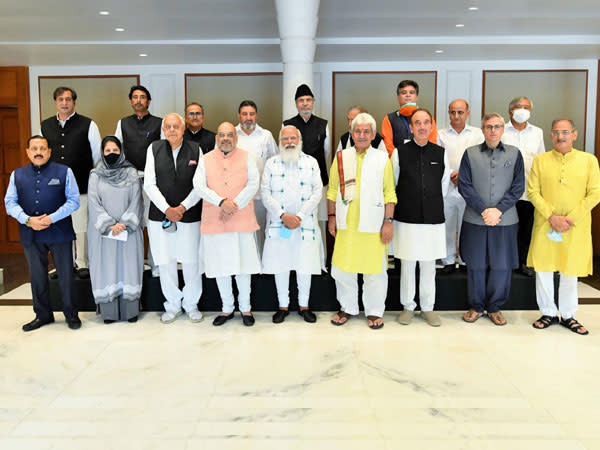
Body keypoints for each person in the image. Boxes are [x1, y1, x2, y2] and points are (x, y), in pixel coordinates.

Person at [528, 119, 600, 335]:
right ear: (551, 136)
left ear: (574, 135)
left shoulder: (589, 160)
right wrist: (552, 217)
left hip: (574, 226)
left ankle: (568, 315)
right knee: (544, 268)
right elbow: (533, 191)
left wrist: (570, 218)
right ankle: (548, 312)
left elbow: (595, 193)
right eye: (557, 132)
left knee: (570, 269)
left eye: (565, 132)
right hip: (546, 224)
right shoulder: (540, 161)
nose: (561, 136)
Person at [327, 113, 397, 329]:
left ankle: (374, 311)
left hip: (373, 224)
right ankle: (347, 307)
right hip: (346, 224)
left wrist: (388, 222)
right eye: (358, 131)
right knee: (342, 269)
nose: (362, 135)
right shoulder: (341, 157)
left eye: (367, 131)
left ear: (374, 134)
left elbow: (389, 194)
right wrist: (331, 218)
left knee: (375, 271)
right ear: (352, 133)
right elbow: (331, 191)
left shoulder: (381, 158)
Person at [4, 135, 81, 331]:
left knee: (66, 275)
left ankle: (71, 315)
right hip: (30, 232)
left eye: (42, 148)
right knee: (37, 275)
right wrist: (27, 219)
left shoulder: (65, 172)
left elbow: (74, 201)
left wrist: (51, 218)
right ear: (28, 152)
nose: (38, 152)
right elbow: (9, 202)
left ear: (49, 151)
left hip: (60, 232)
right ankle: (43, 315)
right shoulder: (17, 175)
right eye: (34, 148)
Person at [458, 113, 524, 326]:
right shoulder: (470, 154)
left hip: (505, 220)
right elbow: (464, 185)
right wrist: (484, 210)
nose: (493, 130)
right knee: (476, 264)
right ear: (483, 129)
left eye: (497, 126)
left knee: (501, 265)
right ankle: (476, 306)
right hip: (475, 219)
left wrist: (498, 211)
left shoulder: (515, 154)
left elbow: (518, 187)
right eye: (489, 127)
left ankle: (495, 307)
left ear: (502, 129)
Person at [194, 122, 261, 327]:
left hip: (241, 219)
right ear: (216, 138)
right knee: (220, 267)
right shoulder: (205, 159)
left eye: (229, 135)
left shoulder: (247, 157)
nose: (225, 138)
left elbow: (253, 183)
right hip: (215, 219)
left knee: (244, 267)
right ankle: (227, 308)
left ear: (236, 137)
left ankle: (246, 308)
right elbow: (198, 185)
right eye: (221, 135)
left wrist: (236, 204)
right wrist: (221, 202)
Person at [144, 113, 204, 324]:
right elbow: (149, 184)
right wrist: (167, 209)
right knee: (166, 261)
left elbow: (200, 185)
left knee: (190, 261)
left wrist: (183, 207)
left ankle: (191, 304)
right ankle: (172, 305)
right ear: (163, 129)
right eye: (167, 126)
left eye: (175, 126)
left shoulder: (196, 149)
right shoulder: (154, 149)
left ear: (183, 129)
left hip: (189, 215)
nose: (171, 130)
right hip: (160, 216)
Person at [261, 125, 324, 323]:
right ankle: (283, 306)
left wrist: (299, 216)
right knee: (281, 265)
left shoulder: (311, 162)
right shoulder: (271, 163)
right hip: (279, 223)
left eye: (293, 138)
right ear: (280, 142)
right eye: (285, 139)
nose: (289, 142)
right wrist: (282, 215)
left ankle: (304, 306)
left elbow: (317, 191)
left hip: (304, 223)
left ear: (300, 140)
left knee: (304, 264)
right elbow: (265, 193)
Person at [393, 109, 450, 327]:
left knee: (428, 264)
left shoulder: (440, 153)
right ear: (411, 126)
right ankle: (408, 306)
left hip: (433, 218)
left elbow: (443, 185)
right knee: (407, 263)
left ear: (432, 126)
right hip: (406, 218)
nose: (422, 126)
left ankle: (428, 307)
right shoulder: (399, 152)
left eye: (426, 122)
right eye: (418, 123)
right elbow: (394, 184)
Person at [40, 86, 101, 278]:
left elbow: (97, 155)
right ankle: (62, 264)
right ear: (56, 102)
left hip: (81, 184)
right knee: (58, 225)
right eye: (61, 99)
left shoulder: (88, 124)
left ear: (74, 102)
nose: (64, 103)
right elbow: (42, 153)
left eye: (68, 99)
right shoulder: (45, 125)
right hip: (54, 186)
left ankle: (82, 262)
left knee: (80, 226)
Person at [87, 136, 144, 323]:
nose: (112, 154)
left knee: (128, 268)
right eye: (107, 151)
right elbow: (93, 203)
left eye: (115, 150)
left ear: (121, 152)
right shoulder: (95, 175)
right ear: (102, 153)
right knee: (107, 269)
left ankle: (130, 312)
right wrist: (109, 224)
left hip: (129, 232)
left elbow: (137, 200)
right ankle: (109, 313)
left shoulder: (131, 173)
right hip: (103, 233)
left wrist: (124, 224)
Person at [115, 85, 163, 276]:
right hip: (129, 180)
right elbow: (116, 148)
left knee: (153, 223)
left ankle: (155, 262)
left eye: (142, 97)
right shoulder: (123, 123)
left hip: (153, 181)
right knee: (132, 221)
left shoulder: (159, 122)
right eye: (135, 97)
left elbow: (164, 150)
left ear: (148, 101)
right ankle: (135, 262)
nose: (138, 100)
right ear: (130, 101)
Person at [437, 99, 484, 274]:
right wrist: (451, 174)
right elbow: (436, 158)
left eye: (460, 112)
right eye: (453, 112)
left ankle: (465, 259)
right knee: (447, 224)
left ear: (468, 113)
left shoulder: (477, 134)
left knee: (467, 226)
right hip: (447, 186)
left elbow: (481, 159)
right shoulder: (440, 134)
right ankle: (448, 260)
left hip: (470, 188)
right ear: (448, 113)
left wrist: (463, 176)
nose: (456, 116)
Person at [501, 96, 546, 277]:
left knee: (526, 229)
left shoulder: (538, 132)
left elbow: (541, 159)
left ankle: (523, 262)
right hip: (505, 191)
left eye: (526, 107)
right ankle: (505, 263)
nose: (523, 110)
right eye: (519, 107)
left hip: (529, 190)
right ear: (510, 111)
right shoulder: (501, 130)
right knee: (506, 229)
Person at [283, 84, 330, 246]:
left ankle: (320, 262)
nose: (305, 103)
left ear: (313, 102)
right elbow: (283, 151)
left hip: (319, 180)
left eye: (308, 100)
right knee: (297, 217)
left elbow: (326, 152)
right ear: (296, 104)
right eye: (301, 100)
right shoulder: (287, 125)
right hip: (293, 180)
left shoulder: (323, 124)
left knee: (319, 219)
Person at [235, 100, 278, 253]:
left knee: (261, 231)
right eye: (245, 114)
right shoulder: (231, 135)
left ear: (256, 115)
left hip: (261, 195)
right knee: (241, 234)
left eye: (251, 114)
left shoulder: (266, 136)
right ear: (239, 116)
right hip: (237, 196)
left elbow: (275, 162)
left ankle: (261, 269)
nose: (248, 117)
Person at [381, 80, 437, 157]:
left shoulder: (427, 117)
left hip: (423, 160)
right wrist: (398, 158)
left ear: (416, 97)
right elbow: (388, 145)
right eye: (404, 93)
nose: (408, 95)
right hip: (398, 162)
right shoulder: (389, 118)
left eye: (411, 92)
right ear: (398, 98)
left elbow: (432, 141)